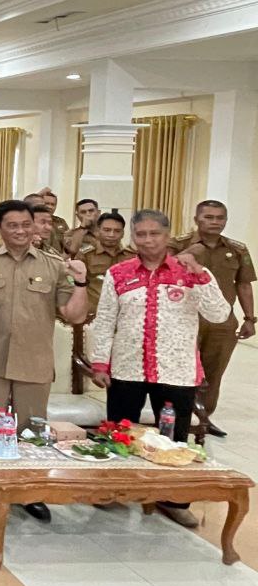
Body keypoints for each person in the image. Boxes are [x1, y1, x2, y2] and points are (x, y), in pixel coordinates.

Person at [89, 209, 230, 528]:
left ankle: (173, 499)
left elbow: (220, 315)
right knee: (119, 431)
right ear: (133, 237)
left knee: (174, 438)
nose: (148, 240)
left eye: (155, 234)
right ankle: (114, 489)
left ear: (167, 237)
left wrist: (201, 278)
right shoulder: (120, 273)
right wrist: (100, 361)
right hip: (128, 368)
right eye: (141, 234)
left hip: (175, 371)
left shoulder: (192, 271)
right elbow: (106, 319)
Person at [0, 199, 89, 522]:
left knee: (32, 429)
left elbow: (73, 315)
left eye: (26, 225)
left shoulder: (55, 266)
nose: (19, 231)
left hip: (34, 360)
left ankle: (29, 491)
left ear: (35, 226)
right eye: (11, 225)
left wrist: (82, 282)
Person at [169, 200, 256, 436]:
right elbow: (166, 272)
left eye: (220, 218)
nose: (215, 222)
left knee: (214, 372)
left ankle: (203, 419)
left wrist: (249, 318)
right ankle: (177, 418)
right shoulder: (177, 244)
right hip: (185, 319)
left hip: (222, 322)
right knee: (182, 370)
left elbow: (244, 284)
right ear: (197, 219)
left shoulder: (237, 249)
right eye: (209, 217)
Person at [78, 212, 136, 320]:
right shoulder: (86, 255)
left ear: (123, 233)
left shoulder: (132, 257)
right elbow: (75, 285)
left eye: (117, 231)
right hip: (93, 316)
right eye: (107, 230)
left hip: (125, 316)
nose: (111, 235)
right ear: (98, 231)